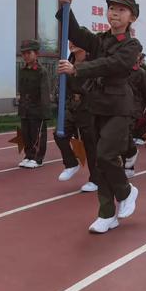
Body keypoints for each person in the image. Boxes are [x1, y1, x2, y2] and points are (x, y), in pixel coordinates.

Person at [57, 0, 141, 234]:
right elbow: (74, 32)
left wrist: (78, 69)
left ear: (132, 17)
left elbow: (114, 64)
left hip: (118, 107)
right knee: (99, 162)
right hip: (96, 105)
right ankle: (106, 214)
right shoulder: (99, 40)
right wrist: (65, 6)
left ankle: (126, 191)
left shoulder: (132, 45)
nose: (114, 13)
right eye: (112, 8)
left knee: (105, 155)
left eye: (121, 10)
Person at [54, 40, 99, 192]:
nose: (71, 44)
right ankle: (71, 163)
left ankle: (95, 179)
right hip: (72, 106)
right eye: (70, 42)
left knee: (90, 144)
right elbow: (63, 85)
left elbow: (93, 84)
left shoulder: (92, 62)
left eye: (75, 41)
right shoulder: (68, 61)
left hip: (88, 107)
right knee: (59, 133)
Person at [17, 39, 51, 169]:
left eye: (28, 53)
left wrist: (45, 112)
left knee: (37, 134)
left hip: (37, 107)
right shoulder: (23, 70)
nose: (26, 56)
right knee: (26, 133)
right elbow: (21, 88)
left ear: (36, 54)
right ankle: (28, 155)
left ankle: (37, 158)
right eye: (23, 53)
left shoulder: (41, 71)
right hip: (25, 107)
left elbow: (45, 92)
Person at [123, 57, 146, 178]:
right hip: (118, 106)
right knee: (119, 137)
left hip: (134, 108)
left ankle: (129, 165)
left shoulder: (140, 72)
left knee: (126, 134)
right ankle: (127, 160)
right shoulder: (118, 70)